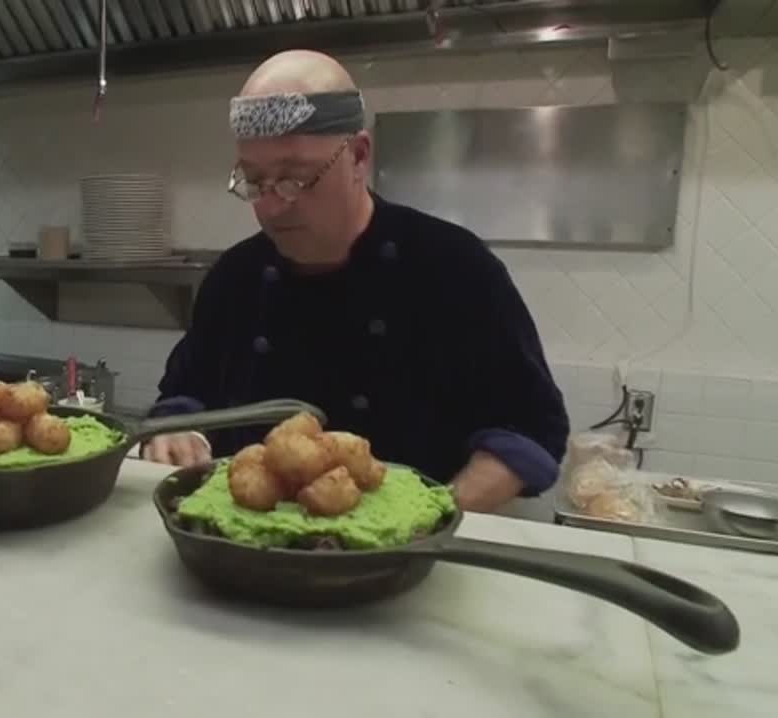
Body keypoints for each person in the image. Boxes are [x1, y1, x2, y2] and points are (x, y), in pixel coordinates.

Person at [141, 50, 570, 513]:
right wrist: (176, 433)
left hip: (414, 549)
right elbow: (185, 394)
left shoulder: (455, 268)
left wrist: (436, 516)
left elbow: (529, 426)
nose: (272, 205)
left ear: (359, 156)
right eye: (254, 180)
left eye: (296, 178)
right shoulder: (235, 277)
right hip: (245, 540)